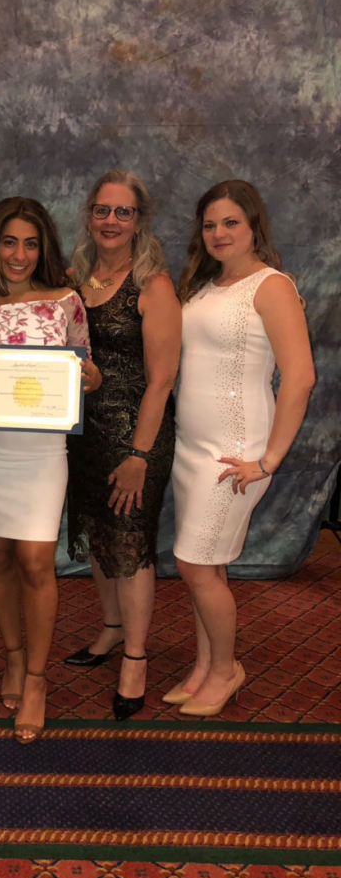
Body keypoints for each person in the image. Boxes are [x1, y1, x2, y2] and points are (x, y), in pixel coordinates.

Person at [168, 180, 314, 716]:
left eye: (231, 222)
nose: (219, 233)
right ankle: (205, 665)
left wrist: (267, 460)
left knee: (193, 565)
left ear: (253, 226)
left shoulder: (271, 286)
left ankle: (226, 670)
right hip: (191, 447)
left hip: (235, 453)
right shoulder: (204, 286)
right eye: (210, 224)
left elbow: (300, 377)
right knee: (208, 567)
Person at [0, 197, 100, 743]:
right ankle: (13, 656)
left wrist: (91, 379)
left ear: (44, 249)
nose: (19, 255)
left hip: (42, 450)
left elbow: (87, 368)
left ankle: (37, 679)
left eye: (30, 244)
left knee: (38, 561)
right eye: (9, 242)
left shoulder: (66, 301)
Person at [65, 171, 181, 720]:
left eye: (123, 212)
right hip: (84, 433)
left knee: (131, 546)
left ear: (139, 221)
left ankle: (136, 657)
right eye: (102, 210)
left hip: (137, 436)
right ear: (89, 215)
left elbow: (162, 380)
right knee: (99, 534)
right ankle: (111, 629)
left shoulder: (153, 286)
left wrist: (138, 456)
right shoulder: (75, 279)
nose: (110, 221)